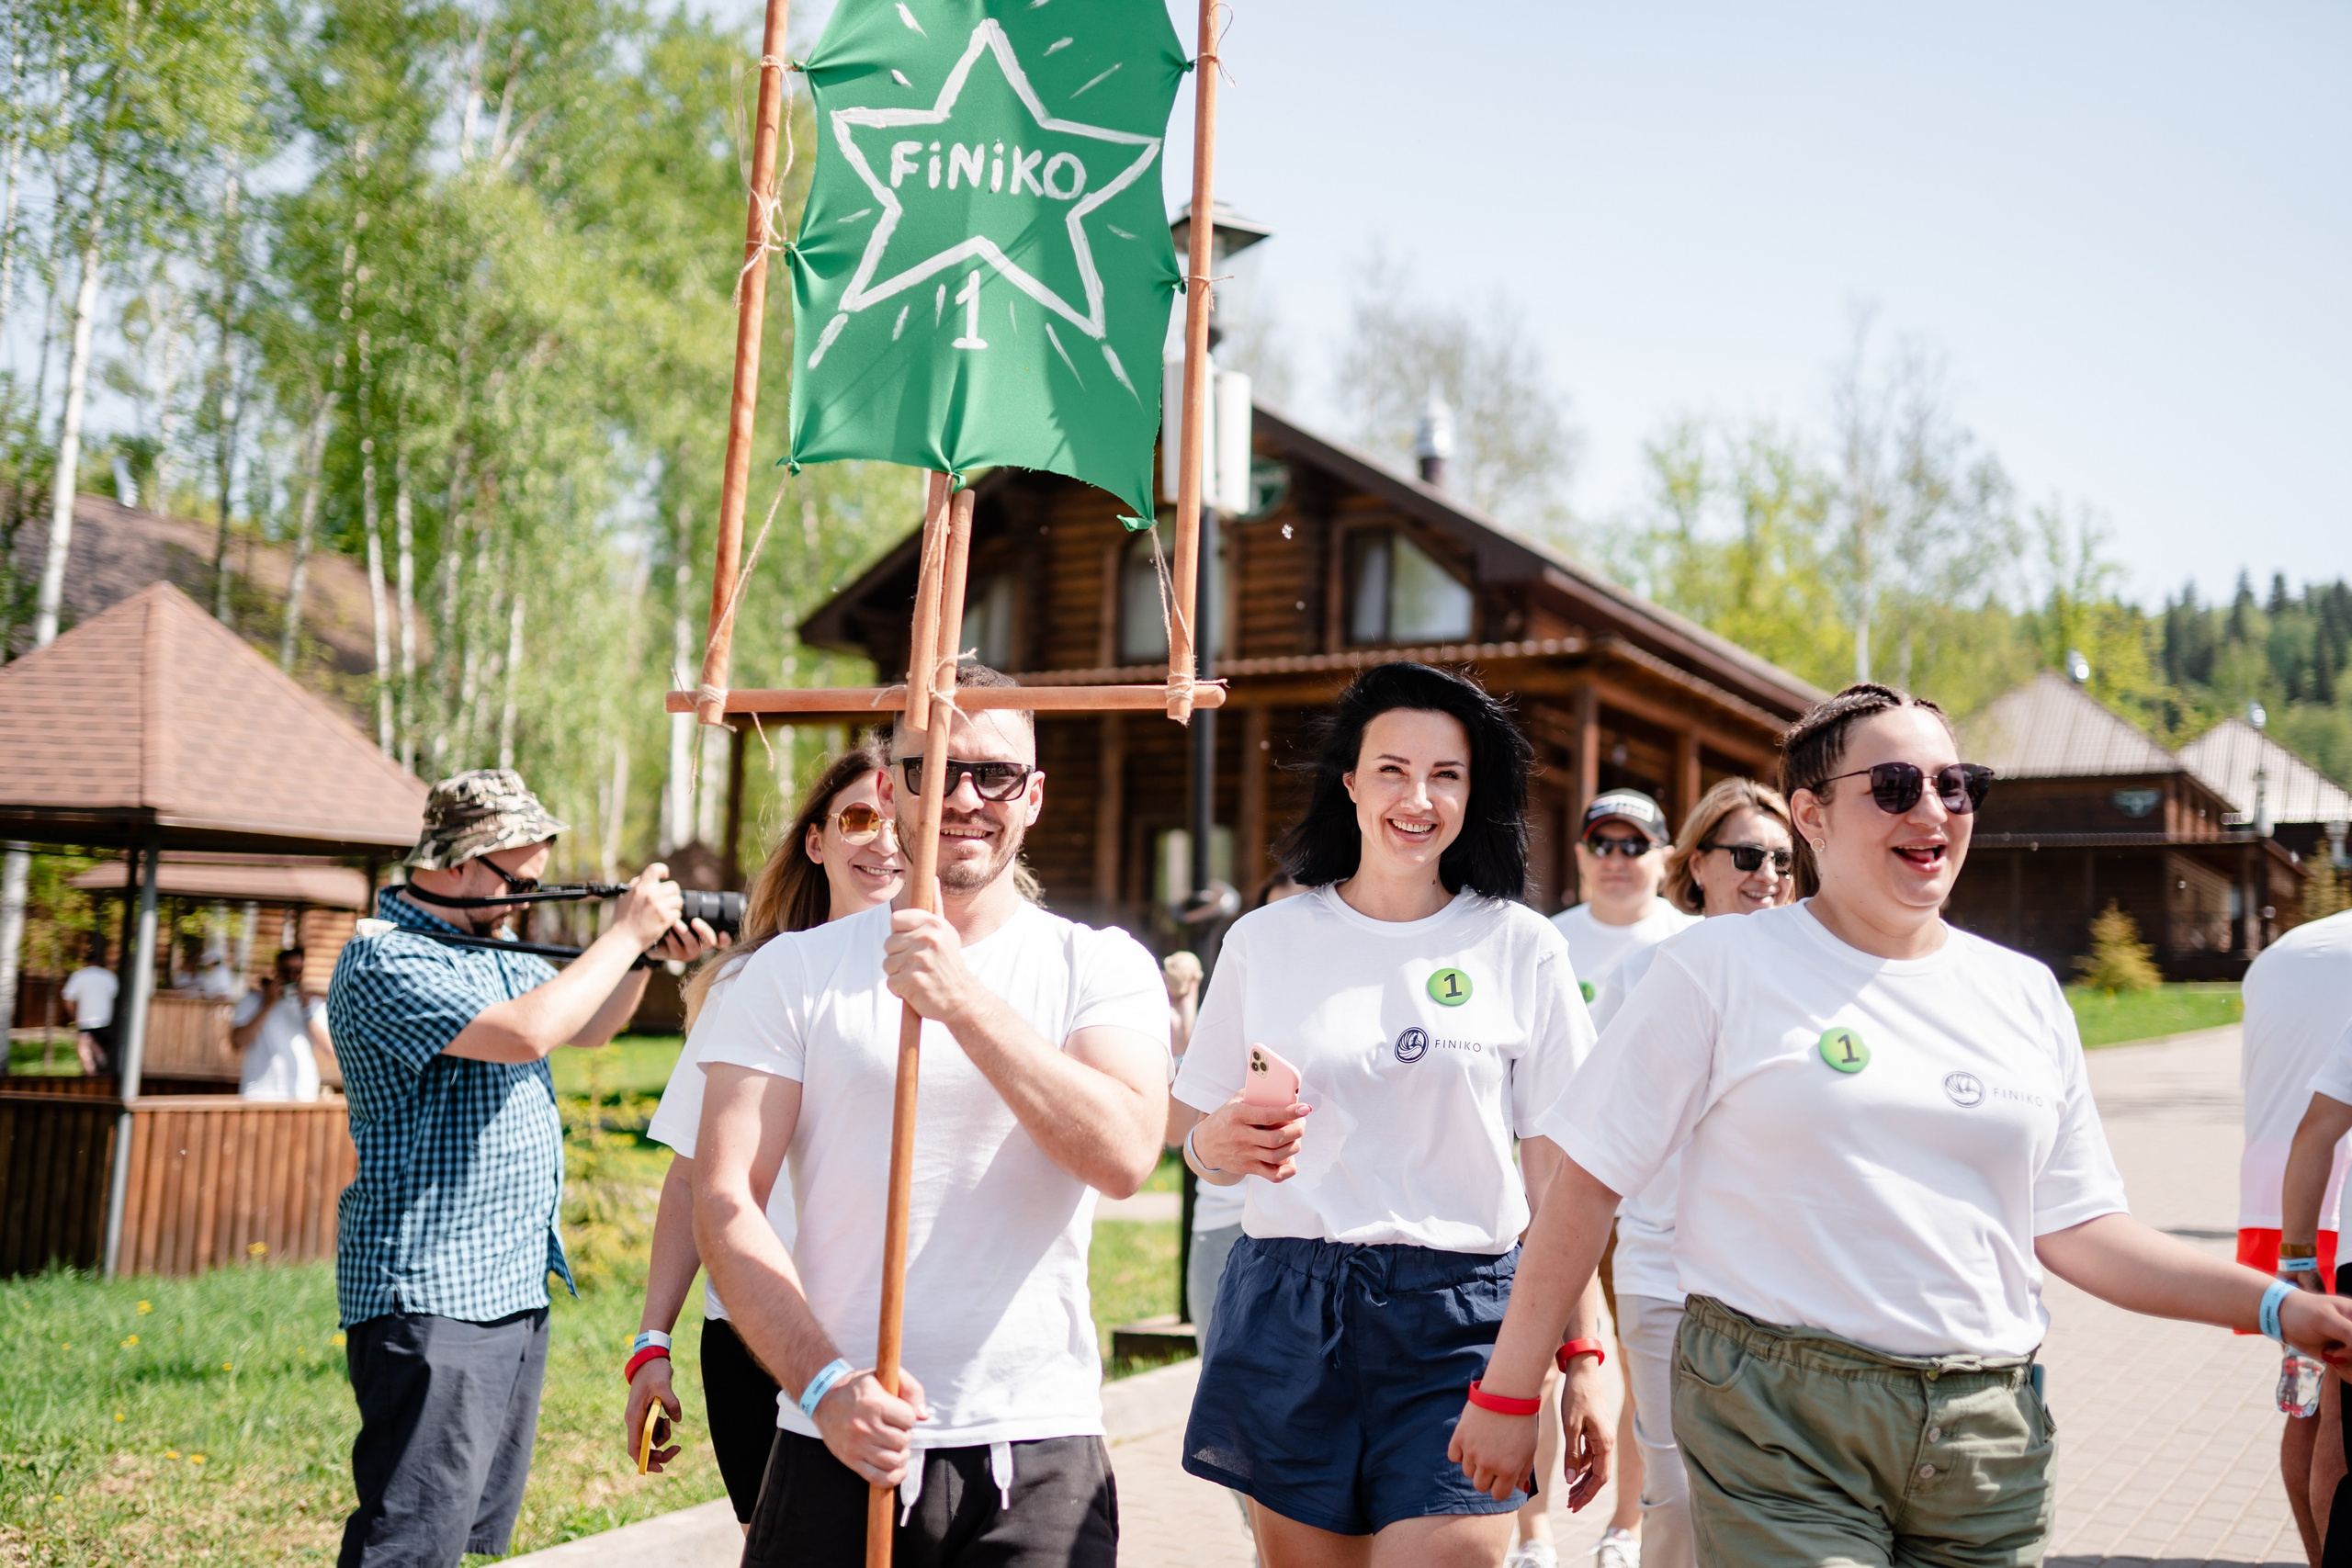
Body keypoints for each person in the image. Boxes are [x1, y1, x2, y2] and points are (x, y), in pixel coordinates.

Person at [1456, 681, 2352, 1568]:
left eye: (1953, 785)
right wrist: (1509, 1390)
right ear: (1810, 816)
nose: (1930, 808)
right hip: (1780, 1420)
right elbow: (1585, 1187)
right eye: (1892, 787)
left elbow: (2082, 1230)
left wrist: (2277, 1304)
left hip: (1985, 1432)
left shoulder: (2022, 994)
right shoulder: (1714, 969)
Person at [694, 662, 1170, 1568]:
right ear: (888, 784)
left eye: (991, 773)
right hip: (833, 1432)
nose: (963, 795)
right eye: (933, 767)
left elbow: (1122, 1154)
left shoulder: (1098, 966)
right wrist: (824, 1383)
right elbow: (724, 1199)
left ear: (1031, 796)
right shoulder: (788, 975)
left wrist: (963, 1002)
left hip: (1036, 1444)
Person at [1170, 660, 1609, 1568]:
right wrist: (1216, 1143)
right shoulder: (1264, 940)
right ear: (1351, 784)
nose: (1418, 797)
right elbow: (1196, 1142)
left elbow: (1559, 1179)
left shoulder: (1522, 945)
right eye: (1392, 770)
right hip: (1290, 1305)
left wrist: (1581, 1356)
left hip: (1464, 1313)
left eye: (1445, 775)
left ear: (1472, 793)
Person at [327, 768, 720, 1568]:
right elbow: (529, 1032)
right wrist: (621, 932)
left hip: (506, 1285)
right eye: (522, 881)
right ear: (465, 860)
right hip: (431, 1292)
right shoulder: (384, 960)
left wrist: (642, 956)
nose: (528, 901)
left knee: (460, 1533)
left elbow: (590, 1026)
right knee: (408, 1537)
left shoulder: (489, 944)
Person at [625, 738, 903, 1529]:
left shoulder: (958, 980)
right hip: (752, 1338)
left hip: (895, 1334)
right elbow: (690, 1175)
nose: (883, 839)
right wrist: (651, 1340)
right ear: (816, 841)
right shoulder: (748, 982)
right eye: (857, 817)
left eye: (899, 819)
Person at [1578, 777, 1796, 1568]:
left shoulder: (1820, 983)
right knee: (1673, 1496)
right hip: (1666, 1272)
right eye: (1746, 854)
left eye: (1782, 858)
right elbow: (1593, 1138)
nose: (1767, 874)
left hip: (1785, 1286)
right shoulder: (1646, 978)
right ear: (1697, 864)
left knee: (1772, 1497)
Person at [1538, 789, 1690, 1568]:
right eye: (1604, 843)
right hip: (1553, 1191)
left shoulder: (1691, 946)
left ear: (1667, 856)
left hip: (1650, 1201)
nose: (1619, 860)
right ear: (1580, 855)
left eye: (1637, 845)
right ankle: (1531, 1535)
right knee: (1533, 1357)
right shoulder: (1547, 944)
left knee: (1636, 1368)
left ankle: (1625, 1525)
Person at [2265, 906, 2352, 1564]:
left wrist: (2296, 1254)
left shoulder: (2293, 950)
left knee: (2325, 1423)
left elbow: (2315, 1127)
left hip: (2319, 1240)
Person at [1549, 789, 1695, 995]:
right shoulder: (1551, 941)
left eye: (1634, 846)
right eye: (1600, 845)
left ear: (1666, 860)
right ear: (1580, 856)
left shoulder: (1691, 938)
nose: (1615, 863)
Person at [232, 947, 333, 1101]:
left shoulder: (313, 1005)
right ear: (275, 971)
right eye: (287, 971)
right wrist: (268, 1004)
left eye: (297, 972)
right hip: (258, 1093)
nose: (292, 977)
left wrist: (306, 1011)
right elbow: (238, 1041)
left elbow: (331, 1050)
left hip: (302, 1094)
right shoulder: (251, 1000)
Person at [62, 934, 118, 1075]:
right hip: (105, 1019)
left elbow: (67, 998)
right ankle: (102, 1062)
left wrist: (73, 1016)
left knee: (83, 1045)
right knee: (95, 1043)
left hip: (85, 1018)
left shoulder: (79, 976)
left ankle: (91, 1072)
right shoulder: (109, 976)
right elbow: (115, 995)